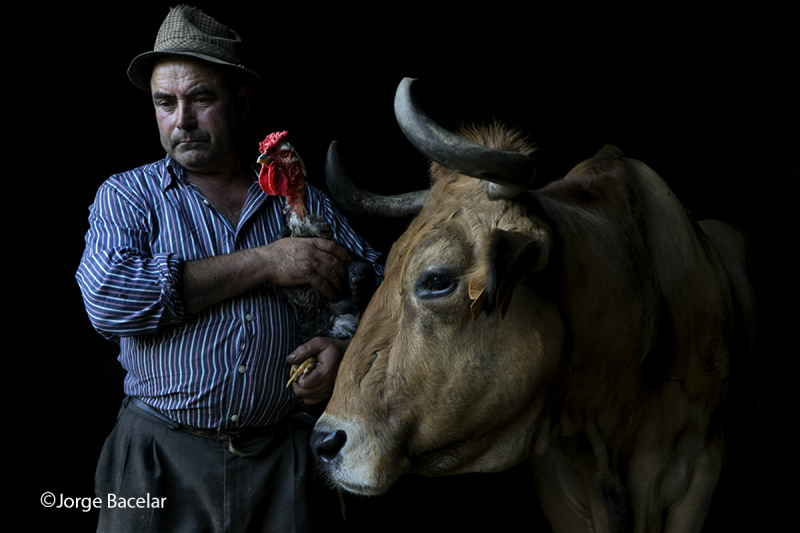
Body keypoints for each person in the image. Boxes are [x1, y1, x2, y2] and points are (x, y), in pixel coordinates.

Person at [75, 5, 382, 532]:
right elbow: (110, 300)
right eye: (164, 103)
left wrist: (345, 351)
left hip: (281, 463)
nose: (181, 121)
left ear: (240, 102)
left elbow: (379, 283)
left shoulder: (295, 199)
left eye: (200, 99)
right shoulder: (128, 196)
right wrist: (266, 261)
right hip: (156, 459)